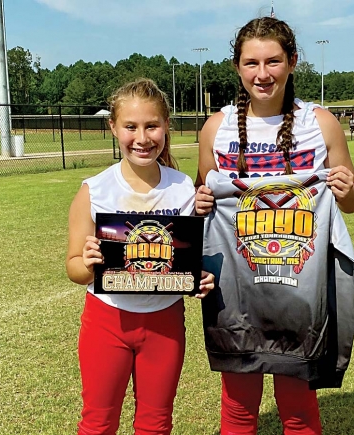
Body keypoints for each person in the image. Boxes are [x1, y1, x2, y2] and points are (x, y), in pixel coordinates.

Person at [194, 17, 354, 435]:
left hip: (299, 290)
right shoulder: (215, 128)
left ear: (292, 62)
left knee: (298, 408)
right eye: (251, 62)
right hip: (237, 292)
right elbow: (203, 198)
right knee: (237, 407)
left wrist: (346, 190)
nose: (262, 73)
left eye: (273, 61)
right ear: (237, 67)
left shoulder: (320, 122)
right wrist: (199, 201)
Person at [66, 78, 215, 435]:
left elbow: (192, 256)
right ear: (113, 127)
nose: (142, 138)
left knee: (156, 422)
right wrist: (86, 264)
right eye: (131, 127)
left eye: (152, 126)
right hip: (107, 320)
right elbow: (73, 266)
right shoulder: (94, 189)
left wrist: (202, 277)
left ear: (167, 126)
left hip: (163, 322)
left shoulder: (183, 188)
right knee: (98, 422)